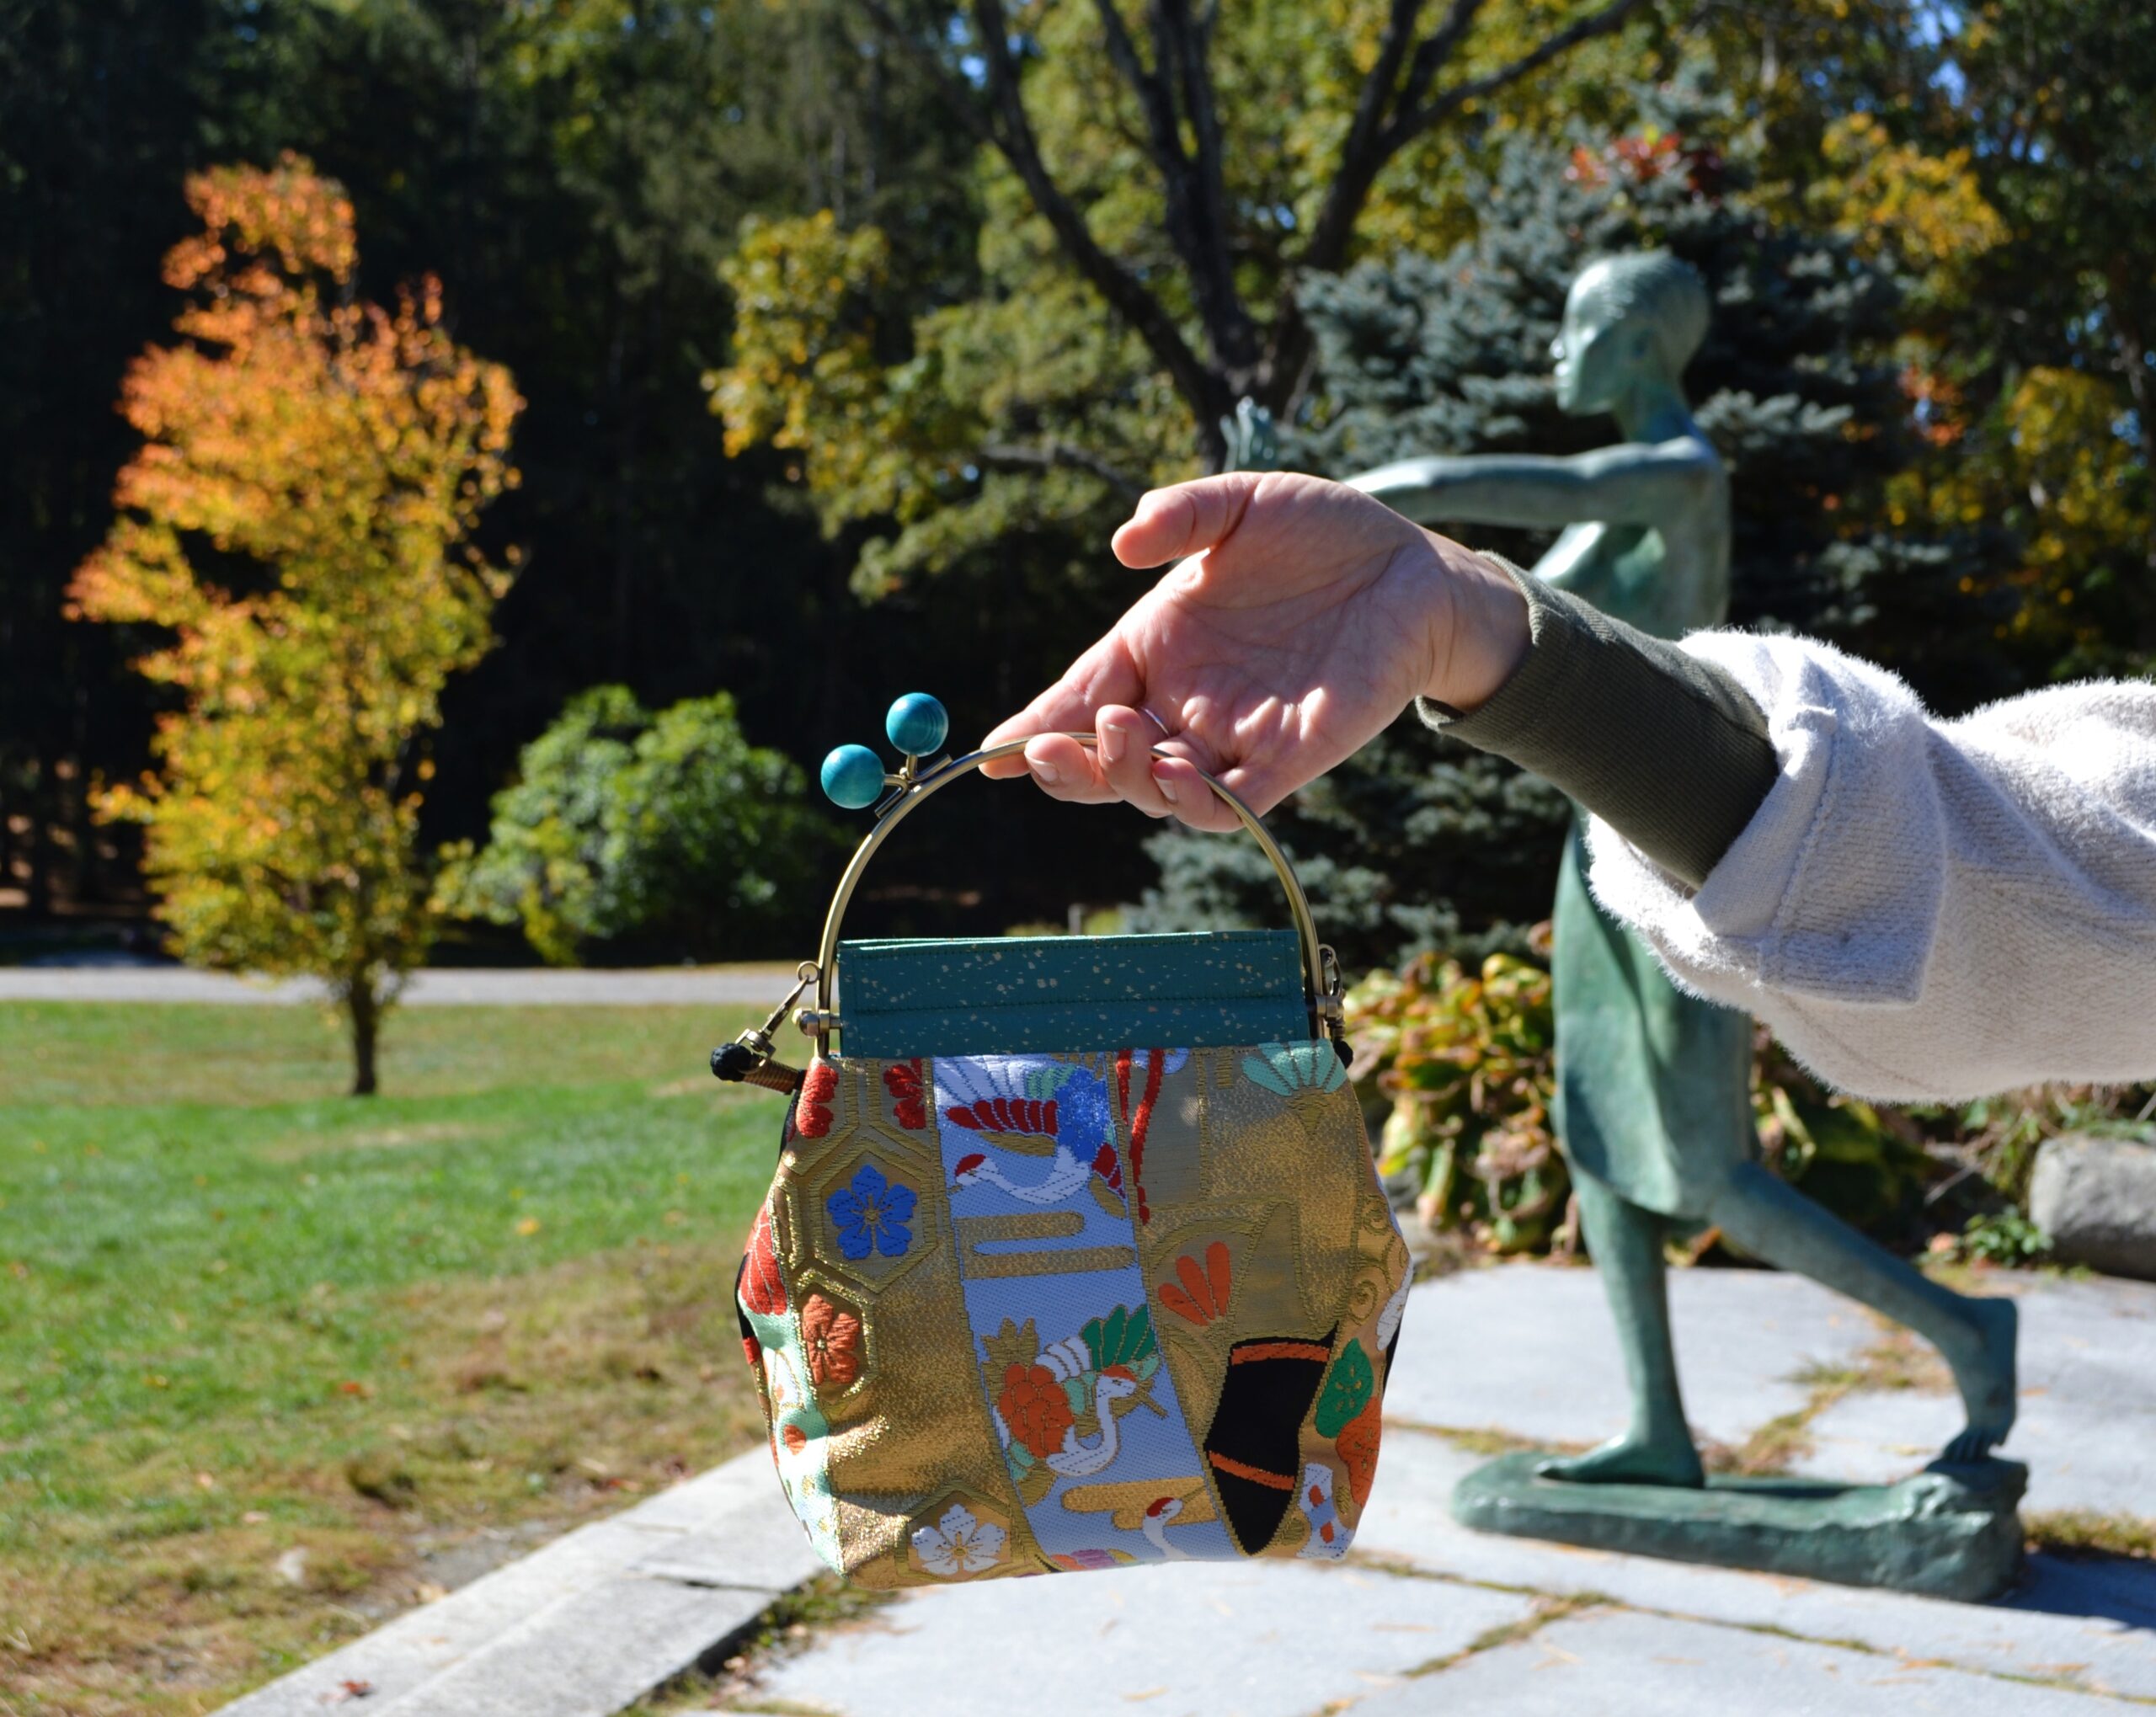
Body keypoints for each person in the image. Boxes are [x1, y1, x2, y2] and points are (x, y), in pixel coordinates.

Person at [981, 463, 2156, 1472]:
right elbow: (2017, 864)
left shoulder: (1667, 468)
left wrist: (1430, 536)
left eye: (1599, 324)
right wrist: (1457, 610)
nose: (1571, 354)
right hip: (1634, 835)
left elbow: (1985, 902)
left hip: (1680, 846)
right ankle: (1657, 1421)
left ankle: (1956, 1330)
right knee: (1599, 1140)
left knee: (1703, 1168)